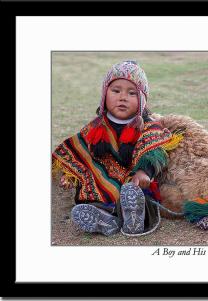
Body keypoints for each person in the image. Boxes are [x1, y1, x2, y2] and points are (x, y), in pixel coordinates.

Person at [52, 60, 173, 237]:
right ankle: (104, 219)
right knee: (91, 194)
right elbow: (81, 153)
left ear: (142, 101)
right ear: (104, 95)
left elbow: (155, 151)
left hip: (133, 181)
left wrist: (144, 171)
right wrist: (70, 176)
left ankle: (134, 217)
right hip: (102, 187)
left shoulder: (148, 127)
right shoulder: (95, 127)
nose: (122, 97)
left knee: (137, 194)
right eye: (116, 91)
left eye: (132, 93)